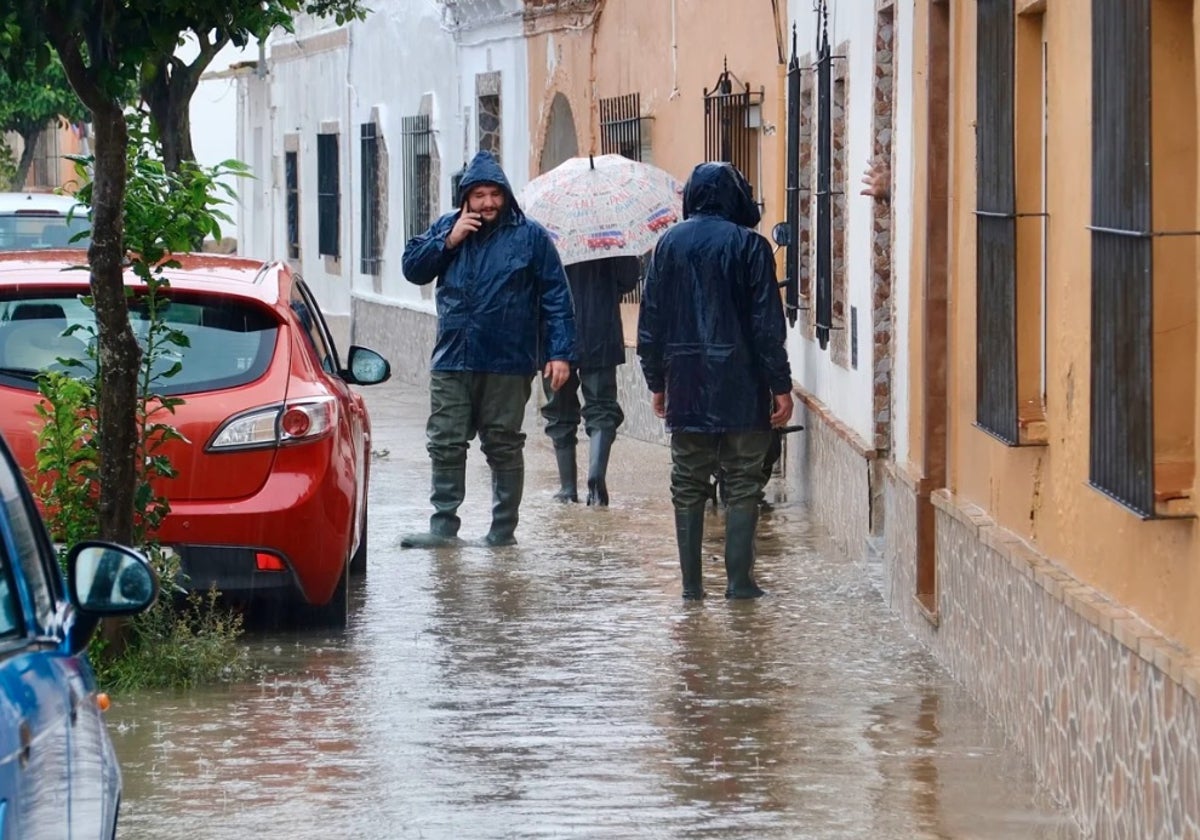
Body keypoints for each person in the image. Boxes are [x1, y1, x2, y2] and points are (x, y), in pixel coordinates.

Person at [400, 150, 577, 548]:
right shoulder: (447, 228)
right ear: (465, 198)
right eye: (478, 195)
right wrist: (448, 241)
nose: (487, 203)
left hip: (508, 361)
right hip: (453, 358)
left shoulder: (531, 237)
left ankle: (503, 530)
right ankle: (443, 527)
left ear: (506, 195)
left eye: (494, 194)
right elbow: (412, 268)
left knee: (503, 443)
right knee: (445, 440)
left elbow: (556, 298)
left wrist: (560, 352)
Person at [637, 161, 794, 600]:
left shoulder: (666, 246)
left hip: (685, 382)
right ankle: (739, 582)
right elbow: (767, 326)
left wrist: (657, 381)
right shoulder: (751, 246)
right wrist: (779, 385)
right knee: (743, 480)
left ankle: (691, 588)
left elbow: (650, 323)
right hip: (743, 385)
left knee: (687, 481)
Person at [541, 255, 641, 506]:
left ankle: (567, 488)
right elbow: (628, 280)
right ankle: (596, 478)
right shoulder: (611, 231)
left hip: (554, 331)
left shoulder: (546, 231)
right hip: (601, 327)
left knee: (559, 410)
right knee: (601, 407)